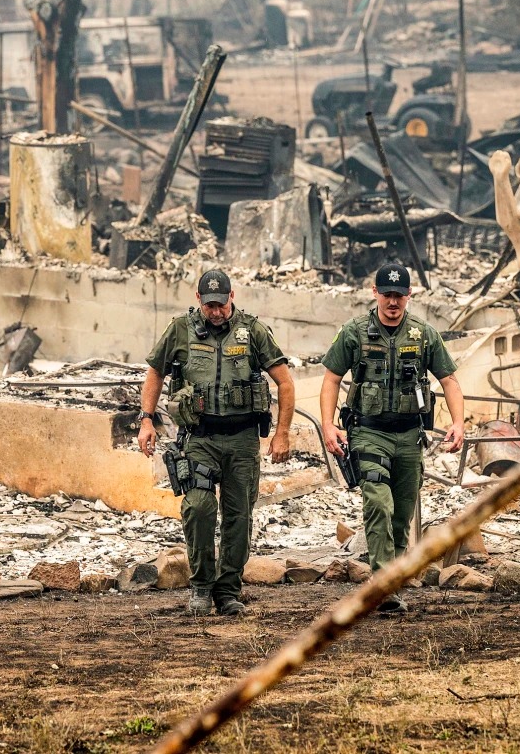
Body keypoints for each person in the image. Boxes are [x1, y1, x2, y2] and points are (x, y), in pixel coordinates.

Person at [137, 269, 296, 617]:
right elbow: (155, 372)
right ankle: (202, 587)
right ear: (198, 300)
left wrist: (282, 432)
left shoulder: (252, 330)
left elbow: (284, 381)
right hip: (199, 438)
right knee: (198, 507)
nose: (215, 311)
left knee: (239, 517)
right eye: (209, 305)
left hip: (242, 441)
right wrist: (146, 420)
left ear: (231, 297)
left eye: (221, 304)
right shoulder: (180, 329)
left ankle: (228, 591)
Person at [319, 262, 465, 612]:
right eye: (387, 295)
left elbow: (450, 380)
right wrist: (328, 424)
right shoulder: (354, 332)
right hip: (368, 432)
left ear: (409, 296)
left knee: (401, 516)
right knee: (378, 504)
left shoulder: (423, 334)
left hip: (410, 437)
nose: (393, 302)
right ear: (375, 293)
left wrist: (458, 423)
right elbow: (330, 378)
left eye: (400, 295)